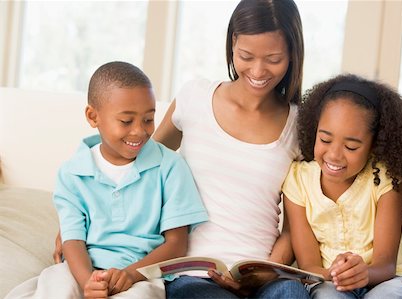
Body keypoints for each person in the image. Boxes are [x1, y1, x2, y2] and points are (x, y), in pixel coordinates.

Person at [52, 0, 309, 297]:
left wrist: (264, 273)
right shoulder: (195, 98)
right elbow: (137, 158)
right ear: (233, 43)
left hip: (261, 274)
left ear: (293, 54)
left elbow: (293, 227)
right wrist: (73, 227)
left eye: (274, 59)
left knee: (292, 293)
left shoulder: (299, 126)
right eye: (246, 56)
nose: (258, 70)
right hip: (189, 271)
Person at [6, 61, 208, 299]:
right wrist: (87, 282)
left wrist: (131, 275)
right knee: (53, 288)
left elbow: (176, 245)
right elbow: (72, 240)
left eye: (148, 119)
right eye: (126, 121)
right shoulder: (72, 173)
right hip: (80, 270)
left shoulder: (170, 167)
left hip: (141, 275)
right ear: (93, 116)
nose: (140, 131)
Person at [282, 73, 402, 298]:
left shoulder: (386, 177)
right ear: (315, 131)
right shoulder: (299, 180)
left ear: (374, 145)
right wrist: (335, 273)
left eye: (351, 147)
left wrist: (364, 273)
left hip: (389, 281)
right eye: (325, 140)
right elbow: (309, 266)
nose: (334, 155)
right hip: (329, 283)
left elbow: (385, 266)